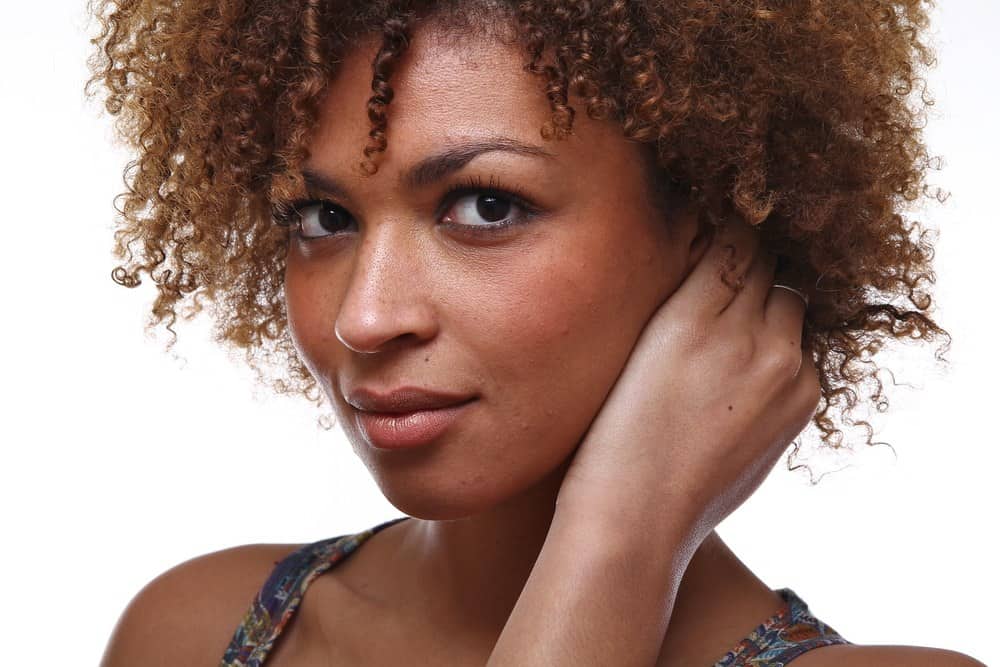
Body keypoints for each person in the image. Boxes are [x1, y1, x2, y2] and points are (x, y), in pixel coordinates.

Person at [87, 0, 984, 665]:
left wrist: (621, 537)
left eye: (485, 205)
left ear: (716, 238)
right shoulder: (194, 630)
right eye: (322, 217)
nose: (364, 317)